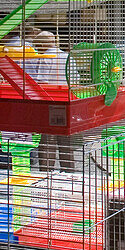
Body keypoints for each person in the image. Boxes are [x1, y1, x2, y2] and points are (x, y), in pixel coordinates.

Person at [30, 31, 75, 171]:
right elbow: (75, 79)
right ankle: (69, 173)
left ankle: (46, 174)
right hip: (67, 102)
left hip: (50, 103)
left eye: (37, 47)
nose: (37, 50)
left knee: (47, 140)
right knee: (66, 141)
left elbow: (42, 83)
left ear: (42, 45)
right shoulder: (67, 57)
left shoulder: (46, 58)